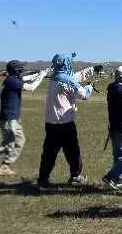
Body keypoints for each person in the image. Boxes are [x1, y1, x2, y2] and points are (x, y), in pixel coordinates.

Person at [0, 61, 46, 176]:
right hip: (10, 118)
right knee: (18, 142)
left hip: (6, 117)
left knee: (9, 144)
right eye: (21, 69)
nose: (22, 71)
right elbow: (31, 87)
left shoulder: (9, 80)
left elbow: (0, 93)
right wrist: (41, 76)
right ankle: (3, 166)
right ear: (16, 71)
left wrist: (40, 73)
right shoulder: (12, 81)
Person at [37, 54, 94, 188]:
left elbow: (70, 81)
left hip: (50, 122)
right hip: (65, 123)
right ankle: (76, 176)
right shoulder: (68, 80)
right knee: (73, 151)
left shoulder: (53, 78)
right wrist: (90, 87)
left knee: (49, 153)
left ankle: (43, 179)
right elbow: (84, 95)